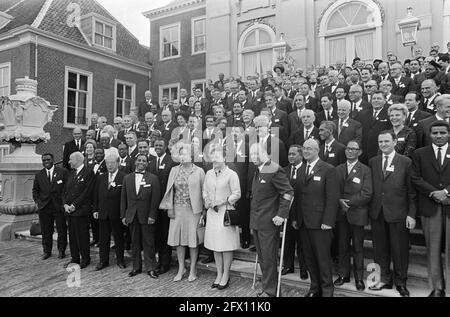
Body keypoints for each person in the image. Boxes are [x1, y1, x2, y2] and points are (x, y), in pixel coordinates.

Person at [368, 131, 416, 297]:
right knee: (380, 250)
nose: (383, 144)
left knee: (400, 250)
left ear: (395, 142)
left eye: (386, 141)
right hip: (378, 212)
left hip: (399, 212)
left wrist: (411, 214)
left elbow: (411, 191)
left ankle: (401, 282)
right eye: (380, 142)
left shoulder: (405, 162)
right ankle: (383, 280)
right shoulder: (373, 161)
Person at [291, 139, 339, 297]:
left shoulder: (328, 169)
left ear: (317, 150)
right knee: (309, 259)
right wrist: (296, 218)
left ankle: (327, 291)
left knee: (323, 259)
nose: (306, 151)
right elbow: (297, 197)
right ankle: (314, 288)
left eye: (310, 149)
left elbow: (332, 198)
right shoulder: (301, 169)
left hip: (321, 224)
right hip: (304, 222)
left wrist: (328, 221)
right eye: (304, 148)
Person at [249, 142, 293, 297]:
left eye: (256, 154)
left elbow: (287, 192)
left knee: (268, 258)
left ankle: (271, 291)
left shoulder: (273, 169)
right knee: (263, 258)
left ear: (264, 154)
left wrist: (281, 215)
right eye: (251, 154)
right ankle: (268, 287)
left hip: (268, 222)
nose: (253, 157)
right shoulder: (259, 170)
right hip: (257, 221)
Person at [411, 120, 450, 297]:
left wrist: (446, 192)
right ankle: (437, 287)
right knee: (432, 249)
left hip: (449, 204)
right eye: (435, 133)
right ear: (430, 135)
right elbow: (416, 178)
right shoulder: (420, 153)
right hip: (430, 205)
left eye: (442, 132)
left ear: (448, 134)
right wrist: (434, 192)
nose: (439, 136)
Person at [160, 143, 205, 282]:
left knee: (192, 241)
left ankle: (193, 269)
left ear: (192, 156)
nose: (183, 157)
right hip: (177, 209)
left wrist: (204, 212)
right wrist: (170, 208)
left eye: (185, 154)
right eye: (181, 154)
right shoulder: (174, 170)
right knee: (179, 241)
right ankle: (181, 268)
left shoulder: (199, 171)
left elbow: (204, 192)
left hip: (193, 211)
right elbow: (169, 190)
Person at [334, 141, 372, 291]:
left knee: (358, 247)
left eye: (353, 149)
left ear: (360, 152)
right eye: (348, 149)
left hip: (357, 213)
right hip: (341, 214)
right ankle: (343, 275)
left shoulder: (365, 170)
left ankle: (359, 278)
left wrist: (348, 202)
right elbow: (333, 189)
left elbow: (367, 192)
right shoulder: (337, 169)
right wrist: (339, 201)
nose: (350, 151)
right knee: (342, 246)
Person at [203, 145, 241, 290]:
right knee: (215, 245)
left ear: (224, 158)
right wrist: (207, 201)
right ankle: (219, 273)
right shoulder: (209, 173)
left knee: (225, 245)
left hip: (225, 213)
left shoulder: (231, 174)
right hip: (212, 213)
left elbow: (237, 193)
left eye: (217, 156)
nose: (214, 159)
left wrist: (223, 201)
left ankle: (226, 274)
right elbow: (205, 190)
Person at [121, 154, 160, 279]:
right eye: (139, 160)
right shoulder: (127, 178)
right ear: (135, 162)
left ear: (147, 163)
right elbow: (123, 199)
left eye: (144, 161)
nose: (141, 162)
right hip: (132, 215)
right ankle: (136, 267)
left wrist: (152, 215)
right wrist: (123, 215)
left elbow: (155, 199)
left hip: (146, 216)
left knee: (148, 242)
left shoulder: (153, 178)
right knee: (134, 242)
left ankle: (151, 268)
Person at [93, 153, 126, 271]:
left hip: (116, 213)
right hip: (103, 212)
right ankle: (103, 260)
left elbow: (125, 197)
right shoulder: (101, 177)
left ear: (118, 163)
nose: (110, 165)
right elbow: (96, 194)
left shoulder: (123, 177)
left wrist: (124, 213)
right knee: (103, 238)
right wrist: (95, 209)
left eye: (112, 163)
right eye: (108, 163)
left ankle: (120, 260)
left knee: (118, 238)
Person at [148, 138, 176, 275]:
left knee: (165, 234)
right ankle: (158, 261)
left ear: (165, 148)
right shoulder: (151, 163)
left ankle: (165, 263)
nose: (158, 147)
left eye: (160, 145)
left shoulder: (171, 162)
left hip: (166, 203)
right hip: (154, 204)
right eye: (156, 145)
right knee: (157, 234)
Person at [32, 153, 68, 260]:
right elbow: (35, 191)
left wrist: (64, 203)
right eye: (43, 160)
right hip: (44, 207)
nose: (46, 162)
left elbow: (66, 188)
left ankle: (61, 251)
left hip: (58, 207)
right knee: (46, 231)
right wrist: (38, 202)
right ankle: (47, 251)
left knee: (61, 230)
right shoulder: (39, 175)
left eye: (48, 159)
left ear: (53, 160)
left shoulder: (62, 172)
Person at [63, 152, 95, 269]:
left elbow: (87, 192)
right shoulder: (70, 174)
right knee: (72, 236)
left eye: (71, 160)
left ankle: (85, 258)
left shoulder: (88, 173)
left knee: (82, 236)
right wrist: (65, 204)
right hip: (70, 211)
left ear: (78, 160)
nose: (69, 162)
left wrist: (74, 205)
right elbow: (65, 191)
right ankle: (74, 258)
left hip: (81, 210)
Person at [281, 145, 308, 280]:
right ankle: (288, 265)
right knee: (287, 241)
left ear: (301, 155)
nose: (290, 156)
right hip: (287, 211)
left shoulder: (307, 170)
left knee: (302, 242)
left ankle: (304, 268)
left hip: (302, 212)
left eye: (293, 154)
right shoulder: (284, 171)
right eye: (289, 154)